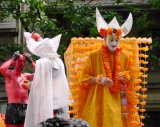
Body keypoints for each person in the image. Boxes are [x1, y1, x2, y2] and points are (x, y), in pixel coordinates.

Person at [78, 8, 134, 127]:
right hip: (99, 100)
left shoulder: (125, 57)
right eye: (111, 39)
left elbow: (132, 79)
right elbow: (83, 78)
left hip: (118, 100)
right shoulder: (94, 56)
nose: (114, 43)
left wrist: (125, 77)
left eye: (116, 40)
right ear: (104, 39)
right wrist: (99, 79)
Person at [24, 32, 71, 127]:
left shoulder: (44, 62)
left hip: (46, 103)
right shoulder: (58, 61)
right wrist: (38, 39)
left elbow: (39, 84)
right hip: (58, 103)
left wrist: (29, 85)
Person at [0, 51, 35, 127]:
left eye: (23, 61)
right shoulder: (10, 74)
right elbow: (2, 68)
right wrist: (12, 58)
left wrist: (31, 62)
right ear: (14, 63)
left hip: (25, 108)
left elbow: (42, 73)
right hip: (13, 108)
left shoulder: (26, 76)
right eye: (19, 61)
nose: (21, 63)